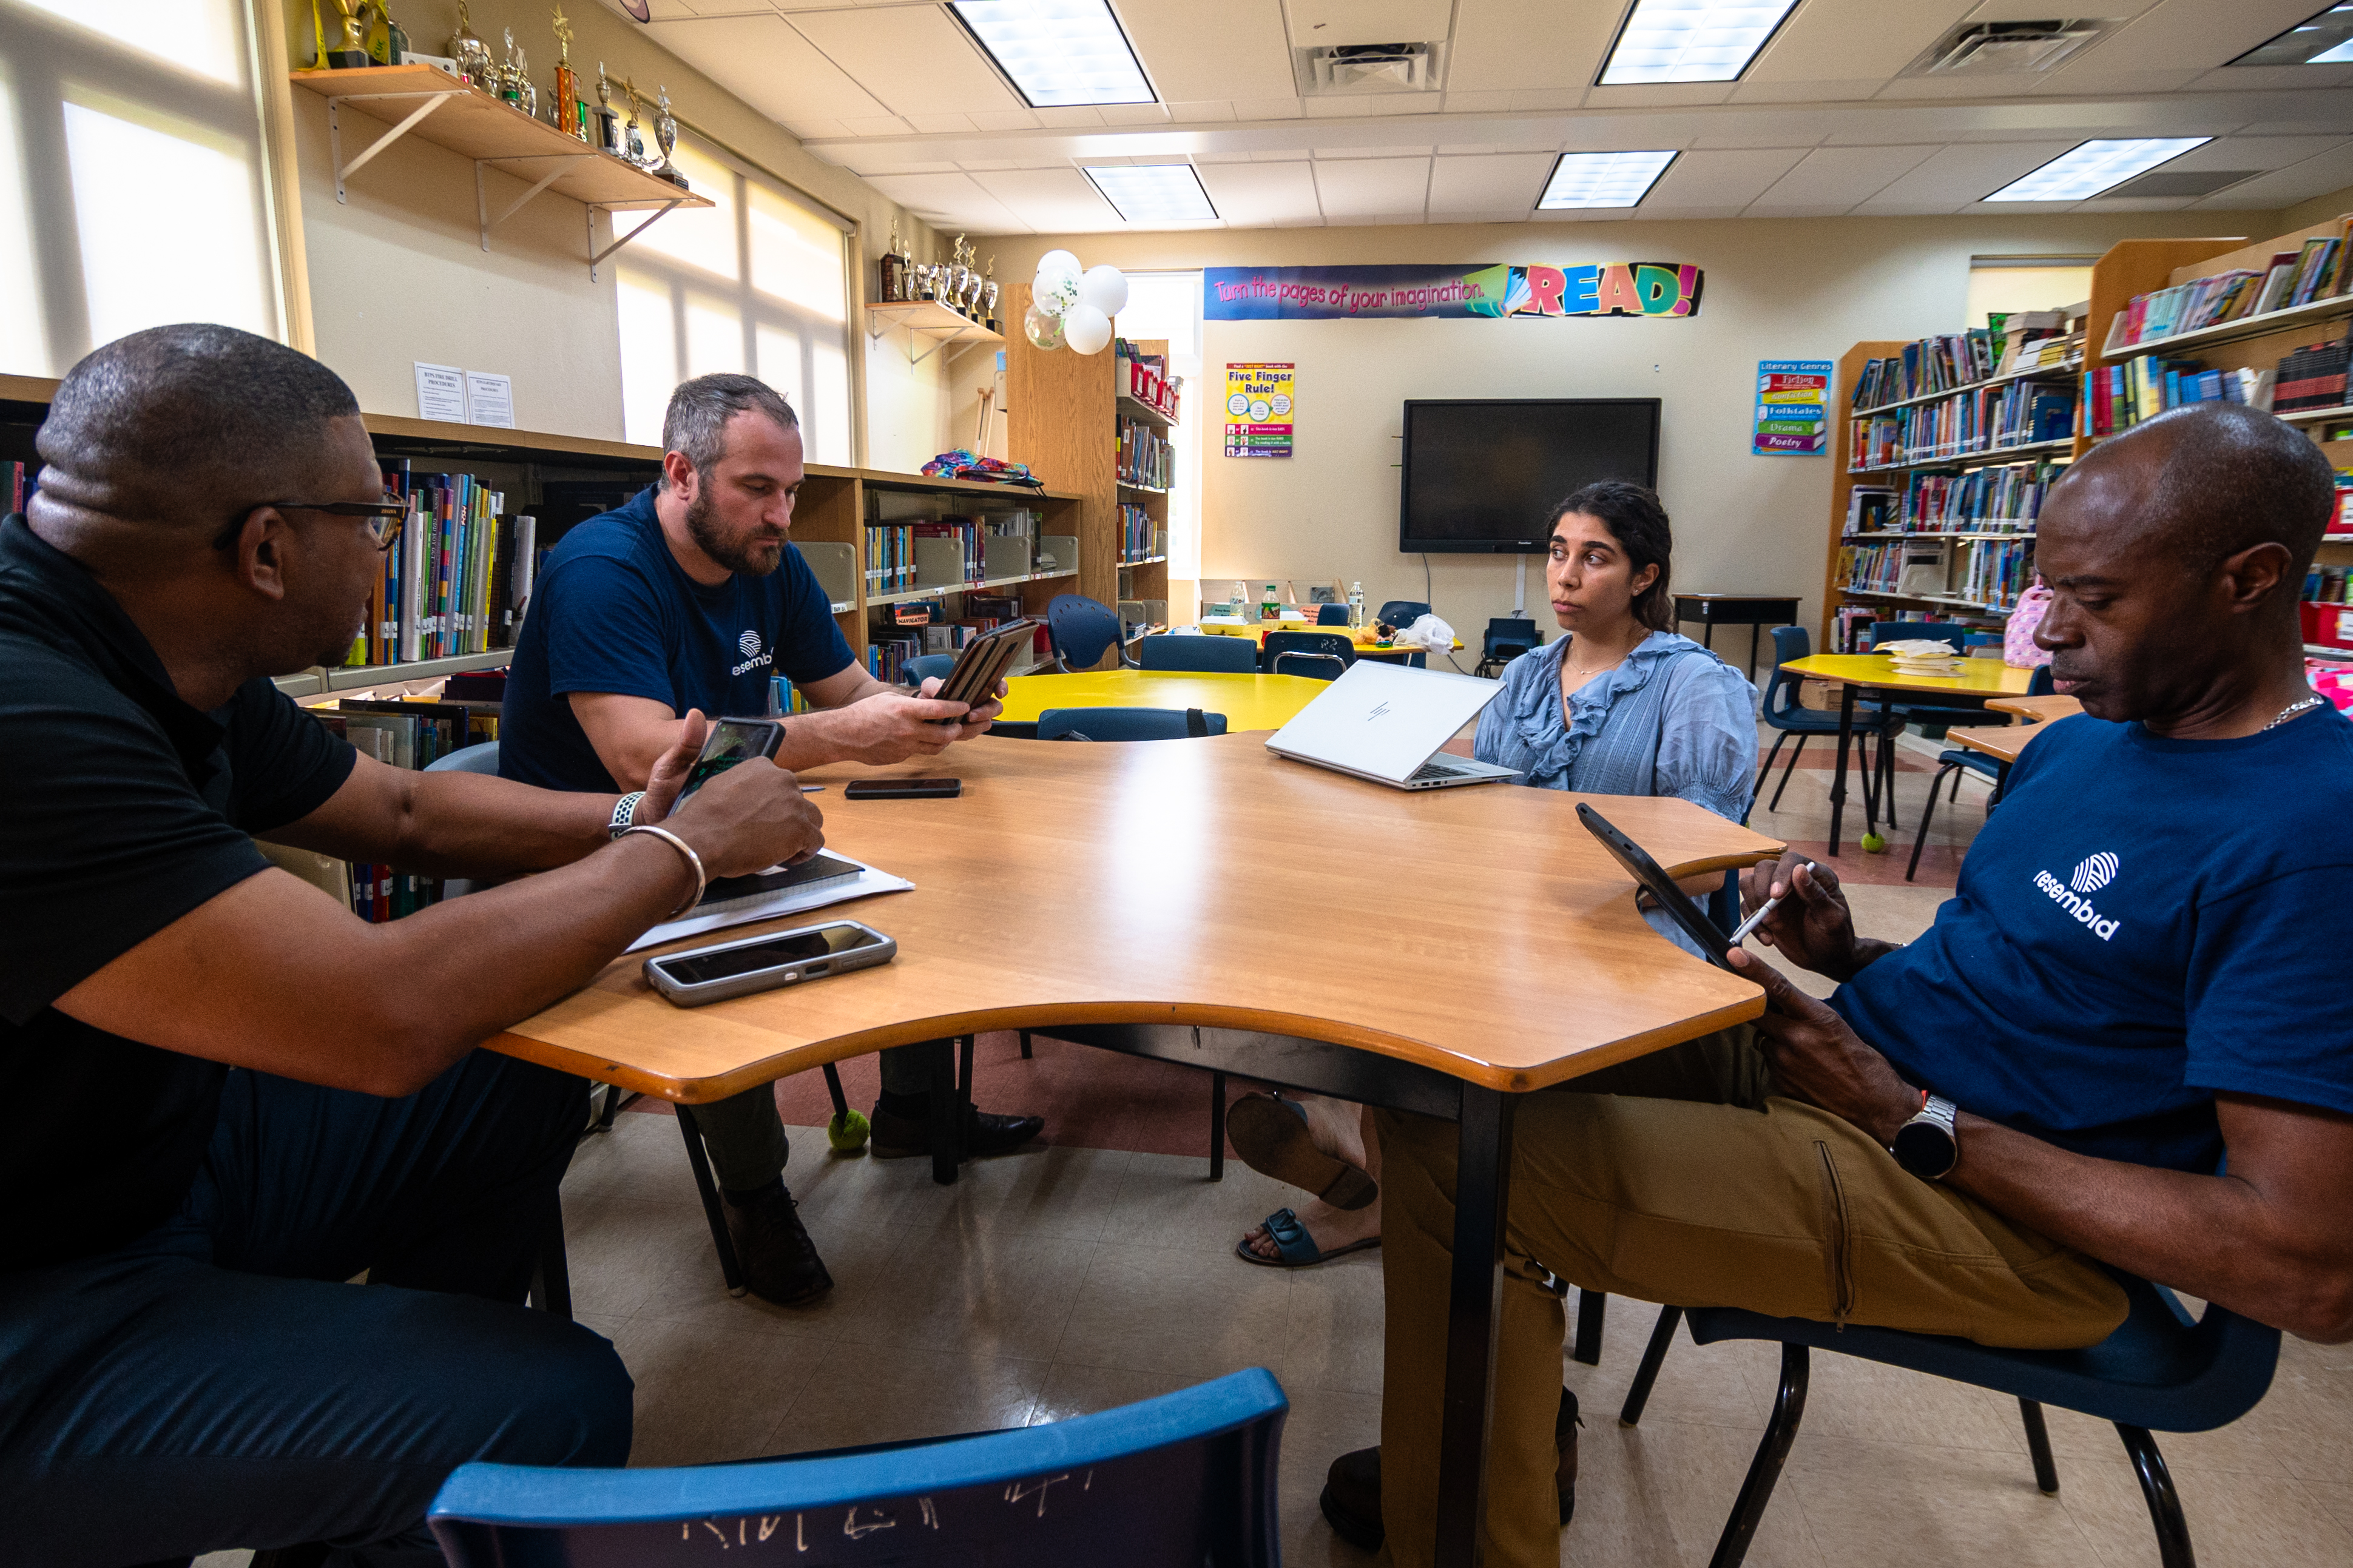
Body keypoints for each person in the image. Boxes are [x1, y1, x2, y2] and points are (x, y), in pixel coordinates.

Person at [1334, 402, 2353, 1566]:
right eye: (2045, 587)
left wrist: (1906, 1115)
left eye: (2096, 599)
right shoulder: (2077, 743)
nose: (2045, 634)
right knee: (1445, 1066)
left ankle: (1462, 1510)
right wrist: (1851, 957)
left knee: (1462, 1168)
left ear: (2250, 580)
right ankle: (1483, 1433)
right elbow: (2047, 986)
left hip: (1991, 1207)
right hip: (1858, 1077)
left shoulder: (2312, 837)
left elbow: (2307, 1269)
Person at [0, 325, 828, 1566]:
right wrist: (687, 854)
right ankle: (396, 1451)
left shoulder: (147, 640)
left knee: (517, 1061)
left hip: (137, 1157)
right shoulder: (33, 721)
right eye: (376, 521)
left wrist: (636, 818)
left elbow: (399, 808)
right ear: (268, 550)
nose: (387, 551)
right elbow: (374, 1020)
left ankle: (346, 1467)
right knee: (541, 1406)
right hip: (42, 1291)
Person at [498, 373, 1045, 1310]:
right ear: (680, 474)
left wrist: (926, 712)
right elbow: (643, 760)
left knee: (929, 880)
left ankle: (913, 1109)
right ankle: (754, 1194)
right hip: (604, 846)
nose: (782, 514)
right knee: (724, 941)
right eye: (758, 488)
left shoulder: (767, 563)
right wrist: (843, 740)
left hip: (730, 825)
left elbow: (847, 694)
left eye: (791, 491)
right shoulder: (602, 570)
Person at [1231, 482, 1756, 1284]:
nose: (1566, 576)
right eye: (1557, 552)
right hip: (1514, 910)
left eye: (1594, 557)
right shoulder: (1522, 676)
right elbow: (1490, 809)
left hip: (1625, 928)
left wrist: (1540, 890)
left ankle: (1373, 1175)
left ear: (1643, 577)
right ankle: (1356, 1136)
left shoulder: (1694, 684)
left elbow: (1711, 861)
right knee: (1367, 936)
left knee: (1437, 982)